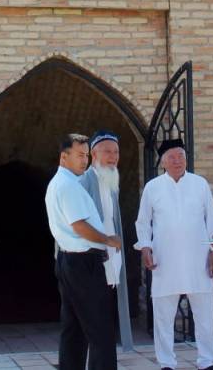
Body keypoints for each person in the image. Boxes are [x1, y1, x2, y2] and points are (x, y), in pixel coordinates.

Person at [134, 138, 213, 370]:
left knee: (205, 314)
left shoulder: (200, 184)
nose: (177, 161)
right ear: (163, 162)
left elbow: (212, 219)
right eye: (171, 157)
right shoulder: (153, 187)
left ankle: (207, 361)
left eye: (181, 156)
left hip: (198, 259)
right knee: (163, 315)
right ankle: (166, 363)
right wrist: (145, 247)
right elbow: (142, 222)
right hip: (165, 260)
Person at [44, 133, 122, 370]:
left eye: (86, 155)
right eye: (79, 155)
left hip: (71, 261)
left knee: (74, 328)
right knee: (100, 331)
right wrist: (108, 239)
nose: (84, 160)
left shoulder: (62, 183)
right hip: (84, 263)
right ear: (63, 157)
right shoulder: (69, 186)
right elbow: (79, 225)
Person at [79, 130, 133, 349]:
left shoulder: (111, 180)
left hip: (110, 257)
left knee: (105, 312)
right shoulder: (84, 181)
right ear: (94, 154)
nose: (113, 156)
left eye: (116, 152)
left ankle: (103, 355)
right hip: (91, 259)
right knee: (92, 315)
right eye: (107, 152)